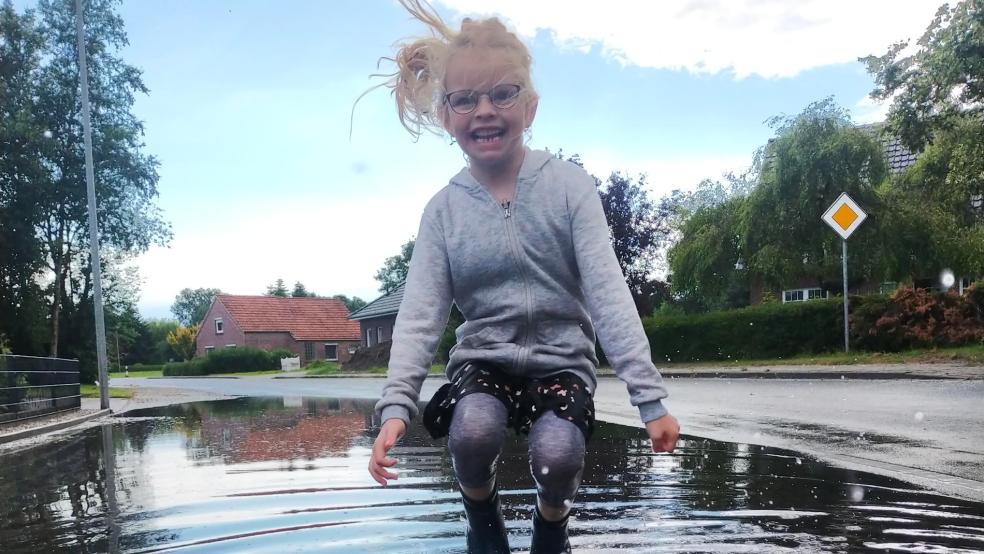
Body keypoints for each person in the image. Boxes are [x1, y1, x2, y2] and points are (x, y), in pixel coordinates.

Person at [366, 2, 680, 552]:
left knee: (558, 456)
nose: (484, 110)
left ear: (529, 106)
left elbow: (608, 293)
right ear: (446, 116)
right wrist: (397, 405)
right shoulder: (443, 212)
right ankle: (479, 505)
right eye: (465, 99)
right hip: (483, 359)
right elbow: (419, 316)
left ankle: (552, 517)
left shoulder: (569, 188)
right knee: (472, 431)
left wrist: (649, 400)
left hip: (562, 359)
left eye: (502, 93)